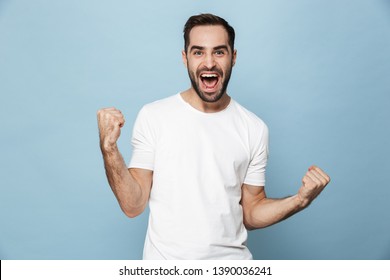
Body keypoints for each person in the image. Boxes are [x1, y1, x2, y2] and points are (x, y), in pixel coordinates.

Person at [97, 13, 330, 260]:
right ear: (185, 58)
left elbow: (251, 213)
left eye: (219, 52)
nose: (209, 63)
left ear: (234, 57)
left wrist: (299, 201)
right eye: (198, 52)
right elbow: (133, 205)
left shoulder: (254, 128)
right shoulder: (154, 116)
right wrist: (109, 149)